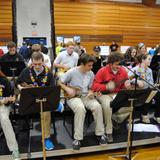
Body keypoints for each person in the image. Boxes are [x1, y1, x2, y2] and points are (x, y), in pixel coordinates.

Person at [59, 54, 107, 150]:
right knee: (80, 109)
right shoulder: (72, 72)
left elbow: (90, 88)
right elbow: (59, 81)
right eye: (89, 65)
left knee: (97, 106)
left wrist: (90, 92)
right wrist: (67, 89)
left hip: (85, 96)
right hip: (73, 97)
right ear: (82, 64)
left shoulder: (91, 73)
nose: (91, 67)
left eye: (92, 65)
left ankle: (100, 133)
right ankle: (78, 138)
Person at [16, 51, 55, 151]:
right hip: (29, 99)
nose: (37, 66)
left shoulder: (49, 74)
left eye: (39, 64)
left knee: (46, 112)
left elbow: (52, 90)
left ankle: (46, 138)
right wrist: (21, 88)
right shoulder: (26, 71)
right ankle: (23, 127)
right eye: (34, 64)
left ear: (43, 62)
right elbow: (18, 82)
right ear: (31, 63)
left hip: (43, 100)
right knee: (20, 98)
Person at [92, 52, 130, 142]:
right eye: (117, 64)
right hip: (104, 94)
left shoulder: (123, 71)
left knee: (131, 103)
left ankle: (115, 119)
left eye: (120, 64)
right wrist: (106, 87)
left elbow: (124, 86)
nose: (119, 66)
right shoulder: (102, 71)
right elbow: (94, 86)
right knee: (107, 105)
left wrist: (127, 85)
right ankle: (109, 132)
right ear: (110, 63)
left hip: (117, 94)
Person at [128, 54, 155, 123]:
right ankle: (143, 115)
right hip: (137, 90)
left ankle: (153, 115)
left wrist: (146, 84)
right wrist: (137, 81)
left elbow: (151, 83)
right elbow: (128, 79)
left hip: (146, 90)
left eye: (151, 59)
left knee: (153, 92)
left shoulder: (150, 70)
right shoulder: (135, 69)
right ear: (143, 60)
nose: (150, 61)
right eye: (149, 59)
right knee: (148, 92)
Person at [0, 71, 20, 160]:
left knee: (4, 118)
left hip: (3, 106)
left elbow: (11, 97)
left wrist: (8, 100)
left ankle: (14, 149)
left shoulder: (4, 81)